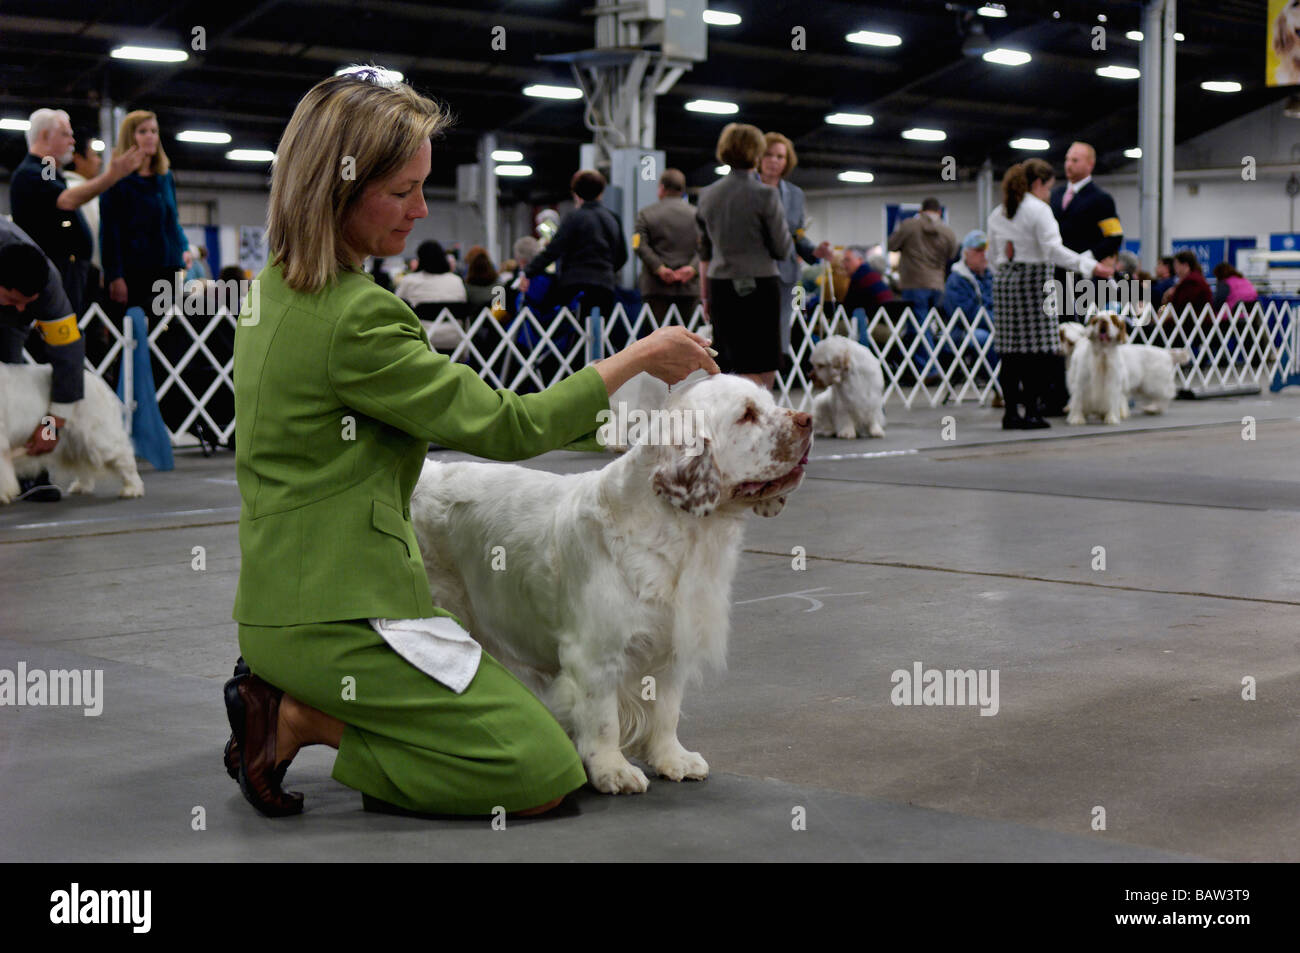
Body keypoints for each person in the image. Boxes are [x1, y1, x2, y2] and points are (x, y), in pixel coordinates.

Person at [223, 69, 719, 819]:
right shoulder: (357, 317)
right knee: (540, 766)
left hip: (276, 607)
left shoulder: (271, 293)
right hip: (348, 618)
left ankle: (298, 696)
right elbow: (509, 427)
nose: (422, 210)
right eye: (402, 190)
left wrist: (630, 431)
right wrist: (639, 357)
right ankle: (299, 718)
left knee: (509, 734)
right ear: (335, 185)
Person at [988, 158, 1113, 430]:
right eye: (1048, 187)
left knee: (1009, 354)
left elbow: (993, 256)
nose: (1049, 193)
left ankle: (1011, 414)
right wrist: (1090, 266)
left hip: (1005, 283)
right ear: (1037, 184)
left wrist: (1005, 274)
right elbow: (1054, 251)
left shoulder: (998, 213)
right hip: (1034, 281)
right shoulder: (1038, 210)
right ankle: (1032, 411)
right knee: (1037, 353)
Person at [10, 110, 141, 320]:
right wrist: (111, 176)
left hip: (70, 273)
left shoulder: (48, 168)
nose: (72, 141)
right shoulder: (30, 172)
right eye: (65, 134)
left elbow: (58, 194)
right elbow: (65, 200)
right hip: (56, 274)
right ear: (44, 136)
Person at [695, 122, 793, 390]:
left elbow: (704, 251)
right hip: (761, 285)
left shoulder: (707, 195)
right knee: (762, 359)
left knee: (727, 361)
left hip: (721, 285)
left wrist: (705, 295)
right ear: (757, 152)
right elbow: (782, 249)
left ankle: (731, 422)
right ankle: (762, 418)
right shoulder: (766, 194)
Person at [0, 220, 85, 502]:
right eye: (14, 299)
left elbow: (69, 357)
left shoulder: (49, 285)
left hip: (9, 323)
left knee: (10, 385)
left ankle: (28, 474)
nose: (23, 309)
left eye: (28, 302)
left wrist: (53, 426)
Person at [1046, 141, 1123, 414]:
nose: (1069, 165)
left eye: (1076, 160)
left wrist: (1086, 260)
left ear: (1090, 164)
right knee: (1057, 335)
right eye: (1067, 159)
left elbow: (1114, 236)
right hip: (1054, 276)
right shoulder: (1053, 196)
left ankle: (1085, 396)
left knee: (1079, 335)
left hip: (1084, 280)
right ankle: (1056, 396)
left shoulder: (1102, 199)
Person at [99, 111, 190, 316]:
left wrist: (184, 247)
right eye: (142, 131)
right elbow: (109, 232)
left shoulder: (165, 177)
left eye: (154, 131)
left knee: (170, 331)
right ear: (129, 137)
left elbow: (172, 221)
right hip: (134, 272)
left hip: (169, 267)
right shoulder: (116, 181)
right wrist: (115, 276)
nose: (150, 136)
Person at [755, 132, 832, 357]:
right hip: (750, 272)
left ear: (787, 161)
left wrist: (815, 250)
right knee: (751, 339)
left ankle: (770, 386)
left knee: (778, 340)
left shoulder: (795, 194)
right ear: (758, 157)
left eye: (780, 156)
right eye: (769, 155)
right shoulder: (746, 189)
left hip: (785, 275)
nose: (774, 160)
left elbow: (798, 236)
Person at [522, 169, 627, 321]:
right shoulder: (613, 218)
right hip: (605, 286)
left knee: (566, 326)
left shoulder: (573, 218)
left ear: (576, 192)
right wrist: (607, 271)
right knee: (600, 333)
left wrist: (528, 272)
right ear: (601, 191)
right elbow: (622, 256)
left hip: (575, 285)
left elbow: (553, 251)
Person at [634, 168, 701, 325]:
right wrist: (692, 269)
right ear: (682, 189)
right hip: (688, 288)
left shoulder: (645, 214)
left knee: (656, 340)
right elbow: (707, 245)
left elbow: (638, 244)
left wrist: (659, 268)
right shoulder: (697, 215)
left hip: (656, 288)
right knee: (689, 339)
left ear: (662, 188)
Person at [887, 197, 958, 318]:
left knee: (917, 326)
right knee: (934, 324)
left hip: (913, 283)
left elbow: (891, 245)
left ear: (921, 211)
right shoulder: (948, 232)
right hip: (937, 284)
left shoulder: (909, 226)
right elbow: (952, 255)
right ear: (939, 212)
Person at [395, 239, 467, 306]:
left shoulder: (409, 280)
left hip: (420, 319)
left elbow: (397, 303)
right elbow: (463, 301)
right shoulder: (456, 280)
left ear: (420, 259)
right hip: (451, 319)